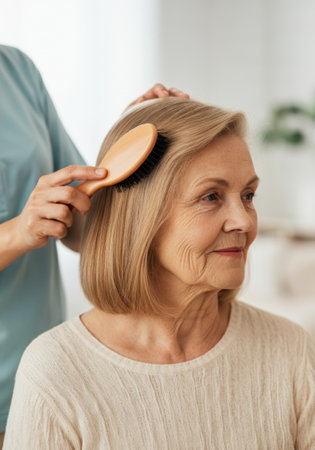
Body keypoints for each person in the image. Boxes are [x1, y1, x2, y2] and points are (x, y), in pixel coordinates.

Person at [3, 97, 314, 449]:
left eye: (248, 195)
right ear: (141, 217)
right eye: (211, 196)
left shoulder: (289, 349)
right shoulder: (55, 371)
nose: (244, 221)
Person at [0, 44, 189, 448]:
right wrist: (18, 232)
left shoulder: (15, 70)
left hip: (39, 375)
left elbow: (81, 227)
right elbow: (32, 224)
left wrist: (125, 149)